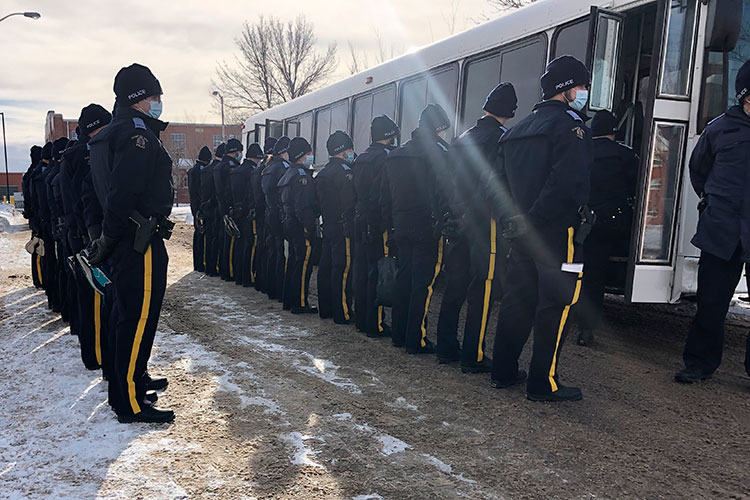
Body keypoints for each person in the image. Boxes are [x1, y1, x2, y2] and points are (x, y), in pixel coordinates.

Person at [490, 55, 592, 402]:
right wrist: (533, 219)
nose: (584, 91)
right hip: (558, 232)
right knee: (558, 303)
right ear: (565, 90)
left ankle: (502, 371)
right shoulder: (571, 127)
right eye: (581, 85)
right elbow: (567, 183)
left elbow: (498, 186)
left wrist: (515, 220)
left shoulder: (516, 132)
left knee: (518, 299)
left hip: (520, 232)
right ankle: (543, 382)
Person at [88, 63, 174, 423]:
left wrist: (108, 237)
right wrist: (111, 236)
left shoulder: (113, 132)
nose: (158, 103)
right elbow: (123, 193)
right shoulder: (137, 135)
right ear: (140, 99)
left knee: (129, 317)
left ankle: (133, 380)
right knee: (136, 319)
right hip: (138, 240)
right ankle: (129, 402)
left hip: (128, 239)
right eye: (154, 96)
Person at [675, 60, 750, 384]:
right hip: (721, 229)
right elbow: (698, 169)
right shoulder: (720, 128)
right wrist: (713, 202)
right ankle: (699, 364)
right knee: (711, 303)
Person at [436, 82, 517, 373]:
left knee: (455, 285)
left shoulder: (461, 139)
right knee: (484, 287)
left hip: (457, 221)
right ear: (510, 112)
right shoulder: (501, 140)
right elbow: (496, 185)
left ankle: (445, 346)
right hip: (485, 223)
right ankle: (474, 354)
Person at [383, 104, 451, 354]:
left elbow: (385, 195)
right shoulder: (439, 154)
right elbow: (446, 191)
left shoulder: (396, 155)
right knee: (423, 283)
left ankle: (398, 333)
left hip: (401, 224)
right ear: (438, 129)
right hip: (427, 227)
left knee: (404, 279)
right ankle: (416, 338)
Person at [574, 110, 638, 346]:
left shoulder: (581, 151)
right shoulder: (626, 155)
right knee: (596, 275)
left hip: (582, 221)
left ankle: (574, 320)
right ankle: (587, 328)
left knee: (578, 270)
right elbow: (636, 189)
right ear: (614, 132)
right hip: (611, 224)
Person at [61, 104, 112, 371]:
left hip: (92, 232)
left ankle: (103, 354)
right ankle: (96, 356)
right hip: (86, 234)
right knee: (94, 297)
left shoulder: (92, 151)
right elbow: (76, 200)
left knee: (102, 298)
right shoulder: (80, 156)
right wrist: (85, 234)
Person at [352, 116, 399, 337]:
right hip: (378, 221)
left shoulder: (361, 158)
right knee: (379, 272)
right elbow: (384, 195)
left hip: (360, 219)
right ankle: (376, 323)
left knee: (362, 270)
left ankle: (361, 318)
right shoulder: (386, 159)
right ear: (389, 136)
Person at [316, 131, 357, 324]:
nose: (352, 152)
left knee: (326, 267)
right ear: (343, 150)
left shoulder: (323, 173)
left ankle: (326, 308)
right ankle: (343, 311)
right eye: (350, 148)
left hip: (328, 225)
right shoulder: (345, 173)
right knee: (343, 269)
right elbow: (349, 203)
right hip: (343, 227)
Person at [278, 137, 319, 314]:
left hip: (289, 224)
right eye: (309, 153)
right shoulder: (302, 177)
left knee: (294, 263)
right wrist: (309, 227)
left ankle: (289, 300)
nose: (311, 156)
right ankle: (301, 303)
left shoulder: (289, 174)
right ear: (302, 156)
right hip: (300, 227)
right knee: (303, 266)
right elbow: (303, 206)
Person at [261, 136, 291, 302]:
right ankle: (280, 290)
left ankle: (271, 288)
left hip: (269, 213)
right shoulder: (283, 168)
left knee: (273, 251)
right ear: (284, 152)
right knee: (282, 254)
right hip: (279, 215)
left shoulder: (268, 167)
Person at [231, 142, 263, 286]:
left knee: (240, 244)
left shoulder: (237, 170)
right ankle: (248, 276)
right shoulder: (252, 171)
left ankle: (239, 274)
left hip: (238, 212)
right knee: (251, 244)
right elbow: (252, 193)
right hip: (249, 212)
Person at [215, 140, 242, 281]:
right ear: (235, 151)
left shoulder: (219, 166)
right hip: (229, 207)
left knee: (224, 241)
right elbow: (229, 190)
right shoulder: (231, 167)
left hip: (221, 208)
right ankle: (230, 272)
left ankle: (224, 268)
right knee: (231, 242)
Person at [252, 137, 276, 293]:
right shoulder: (270, 168)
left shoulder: (259, 168)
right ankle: (268, 283)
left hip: (259, 212)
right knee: (269, 249)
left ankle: (259, 279)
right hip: (266, 212)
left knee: (261, 246)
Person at [188, 146, 212, 272]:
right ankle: (201, 263)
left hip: (194, 206)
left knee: (197, 234)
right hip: (200, 207)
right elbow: (201, 191)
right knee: (202, 236)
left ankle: (197, 263)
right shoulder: (202, 171)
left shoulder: (192, 171)